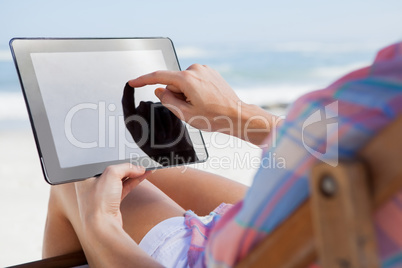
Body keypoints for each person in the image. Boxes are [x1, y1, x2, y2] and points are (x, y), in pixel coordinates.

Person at [43, 42, 402, 268]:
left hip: (284, 248)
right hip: (333, 213)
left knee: (80, 177)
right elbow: (351, 155)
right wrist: (238, 115)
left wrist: (102, 231)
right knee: (141, 169)